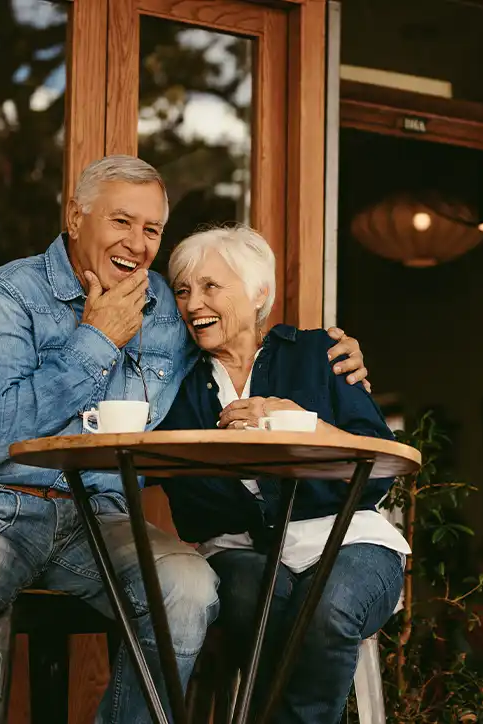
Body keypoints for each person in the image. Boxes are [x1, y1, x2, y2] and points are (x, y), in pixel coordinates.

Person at [0, 155, 370, 724]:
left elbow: (239, 330)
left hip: (103, 516)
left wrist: (331, 353)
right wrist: (96, 340)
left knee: (190, 591)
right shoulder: (8, 296)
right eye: (121, 222)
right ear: (76, 218)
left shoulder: (170, 314)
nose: (138, 243)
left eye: (152, 230)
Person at [159, 225, 407, 724]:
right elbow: (153, 476)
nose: (192, 303)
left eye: (211, 287)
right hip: (240, 551)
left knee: (327, 608)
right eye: (183, 290)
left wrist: (299, 424)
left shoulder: (319, 354)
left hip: (349, 540)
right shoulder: (175, 384)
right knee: (258, 603)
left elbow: (379, 469)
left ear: (259, 295)